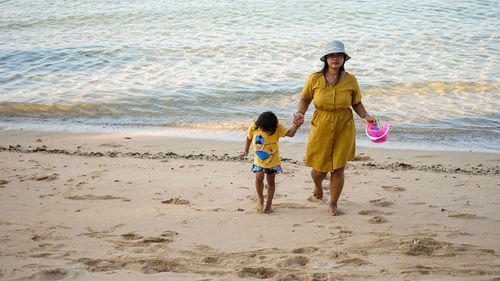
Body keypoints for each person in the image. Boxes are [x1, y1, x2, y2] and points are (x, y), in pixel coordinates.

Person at [293, 40, 376, 216]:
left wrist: (366, 116)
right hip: (320, 125)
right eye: (331, 55)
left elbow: (357, 102)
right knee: (319, 169)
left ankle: (333, 204)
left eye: (339, 55)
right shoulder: (314, 78)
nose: (335, 59)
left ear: (344, 58)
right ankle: (317, 185)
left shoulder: (351, 80)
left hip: (343, 125)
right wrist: (300, 112)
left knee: (338, 167)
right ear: (326, 59)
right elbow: (305, 99)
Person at [239, 111, 300, 213]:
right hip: (259, 160)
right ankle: (260, 198)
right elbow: (249, 138)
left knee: (271, 181)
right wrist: (246, 150)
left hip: (272, 160)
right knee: (259, 179)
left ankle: (269, 203)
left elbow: (290, 133)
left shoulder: (277, 128)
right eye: (264, 129)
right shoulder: (254, 127)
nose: (266, 131)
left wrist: (296, 125)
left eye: (268, 130)